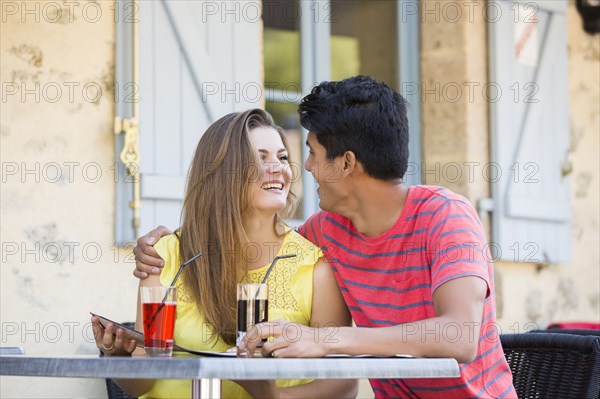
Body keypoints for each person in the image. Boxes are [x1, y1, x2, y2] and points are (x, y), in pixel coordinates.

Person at [133, 76, 517, 398]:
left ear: (347, 163)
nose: (306, 167)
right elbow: (259, 242)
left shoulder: (445, 215)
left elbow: (459, 336)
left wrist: (326, 339)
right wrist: (171, 242)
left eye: (311, 153)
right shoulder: (325, 232)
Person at [91, 109, 357, 398]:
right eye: (261, 157)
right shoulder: (165, 255)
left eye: (282, 157)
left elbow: (342, 386)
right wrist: (117, 356)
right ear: (223, 171)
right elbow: (145, 380)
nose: (279, 167)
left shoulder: (314, 267)